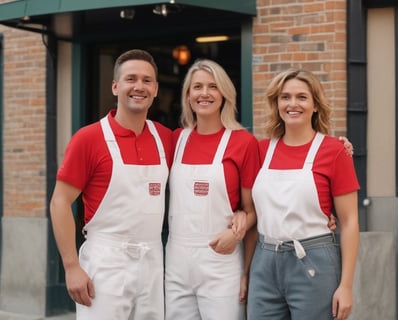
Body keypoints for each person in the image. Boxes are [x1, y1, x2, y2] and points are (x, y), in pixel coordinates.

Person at [50, 49, 172, 320]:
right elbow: (59, 202)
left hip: (152, 260)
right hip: (106, 262)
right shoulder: (89, 138)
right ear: (115, 86)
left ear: (155, 89)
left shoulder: (166, 138)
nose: (139, 86)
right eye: (131, 79)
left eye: (147, 80)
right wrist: (71, 266)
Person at [247, 69, 360, 320]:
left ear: (316, 105)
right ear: (277, 104)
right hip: (264, 261)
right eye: (285, 97)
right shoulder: (261, 150)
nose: (292, 104)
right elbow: (249, 207)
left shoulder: (335, 150)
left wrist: (346, 285)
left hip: (313, 261)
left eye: (302, 97)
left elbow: (350, 221)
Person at [164, 59, 259, 320]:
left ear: (224, 94)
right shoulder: (175, 139)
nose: (204, 93)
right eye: (197, 87)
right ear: (188, 95)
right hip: (177, 262)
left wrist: (238, 242)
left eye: (212, 87)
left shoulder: (244, 143)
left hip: (222, 260)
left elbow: (253, 212)